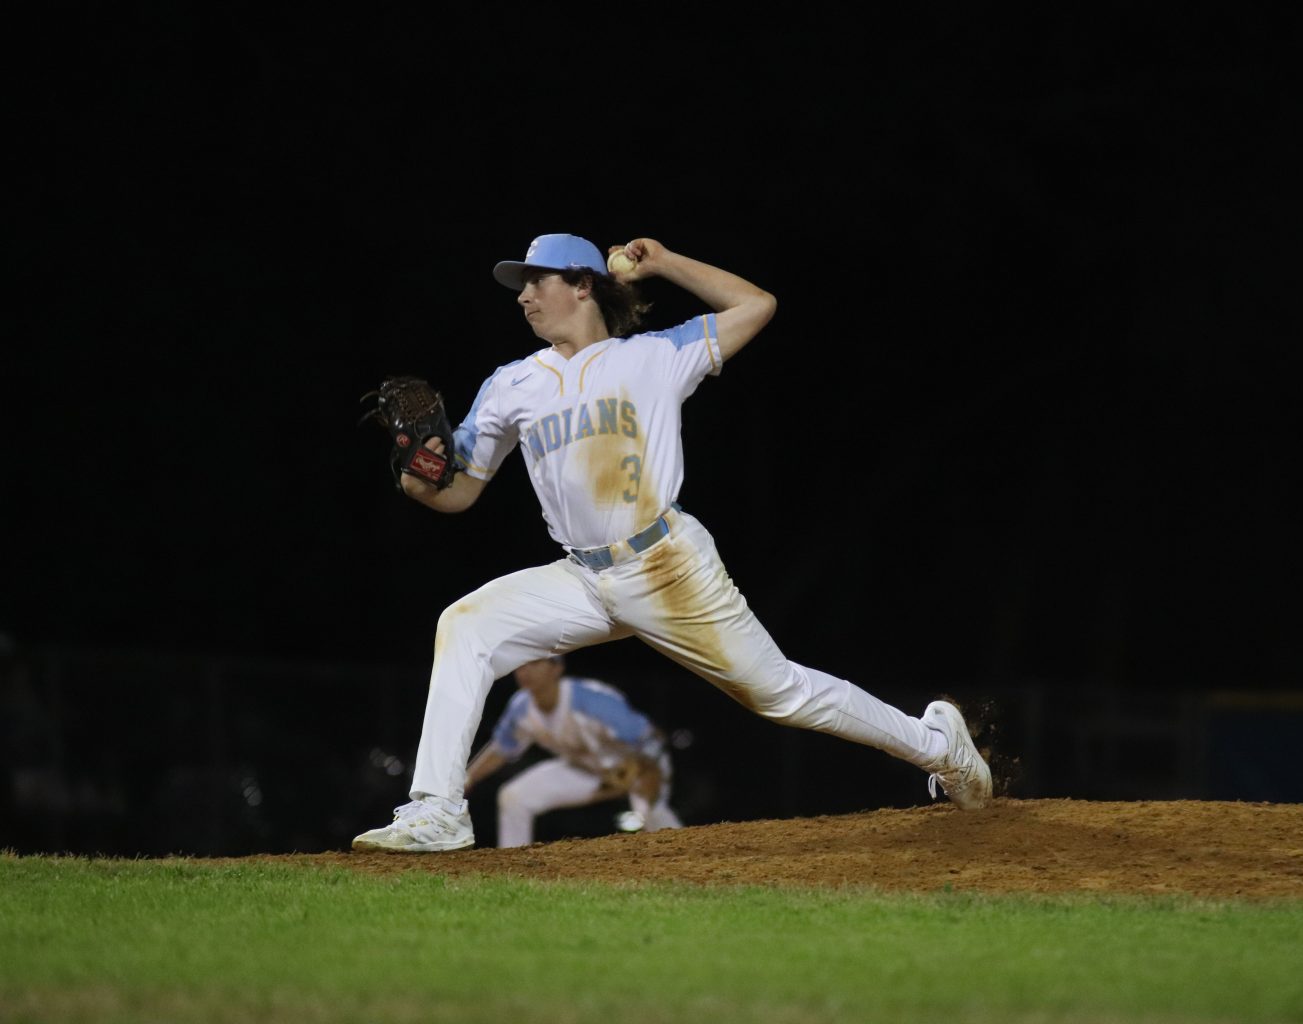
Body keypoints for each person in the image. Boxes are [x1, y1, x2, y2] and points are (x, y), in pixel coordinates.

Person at [353, 232, 991, 853]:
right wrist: (418, 476)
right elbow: (458, 491)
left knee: (781, 694)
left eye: (536, 280)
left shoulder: (655, 355)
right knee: (465, 625)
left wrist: (665, 262)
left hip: (666, 566)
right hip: (581, 578)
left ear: (582, 285)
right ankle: (438, 810)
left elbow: (757, 305)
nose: (523, 296)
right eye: (522, 286)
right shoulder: (510, 384)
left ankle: (938, 746)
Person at [463, 653, 683, 847]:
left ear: (557, 668)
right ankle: (512, 869)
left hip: (636, 765)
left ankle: (684, 857)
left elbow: (650, 736)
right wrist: (467, 779)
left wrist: (649, 770)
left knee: (652, 812)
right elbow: (501, 749)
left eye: (535, 663)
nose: (524, 671)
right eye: (520, 665)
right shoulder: (521, 706)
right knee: (514, 797)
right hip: (586, 770)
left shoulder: (589, 699)